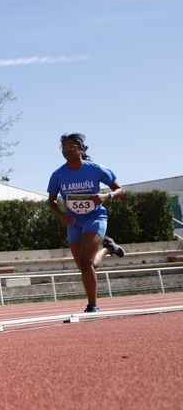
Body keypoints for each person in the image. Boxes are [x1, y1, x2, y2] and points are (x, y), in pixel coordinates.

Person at [47, 133, 125, 313]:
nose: (66, 150)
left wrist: (107, 196)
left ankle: (92, 305)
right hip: (73, 222)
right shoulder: (58, 175)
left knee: (85, 261)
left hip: (95, 218)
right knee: (85, 266)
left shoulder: (96, 169)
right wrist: (61, 215)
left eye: (71, 146)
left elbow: (121, 190)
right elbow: (51, 200)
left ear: (81, 148)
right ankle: (108, 249)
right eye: (64, 148)